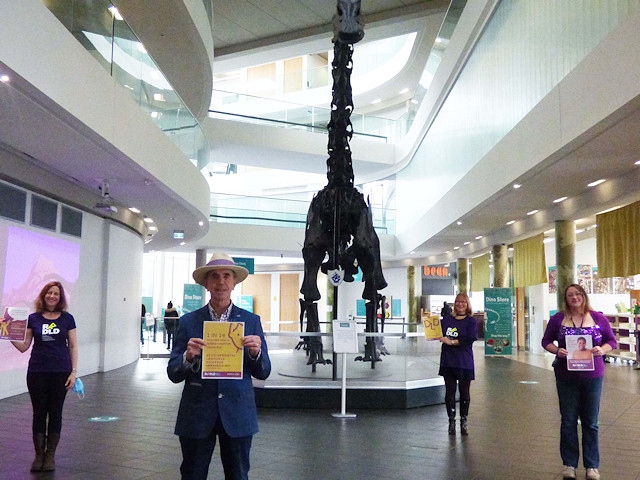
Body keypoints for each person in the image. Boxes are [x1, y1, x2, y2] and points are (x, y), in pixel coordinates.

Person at [167, 253, 271, 480]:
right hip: (197, 413)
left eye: (226, 276)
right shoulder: (188, 322)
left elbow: (263, 371)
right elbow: (173, 372)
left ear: (234, 283)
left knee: (238, 475)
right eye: (214, 276)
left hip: (237, 413)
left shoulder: (251, 321)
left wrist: (256, 353)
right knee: (192, 475)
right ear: (206, 283)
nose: (221, 282)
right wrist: (187, 357)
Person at [542, 283, 616, 480]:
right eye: (570, 295)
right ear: (565, 299)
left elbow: (611, 341)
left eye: (577, 294)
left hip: (592, 376)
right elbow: (546, 341)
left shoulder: (598, 317)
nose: (574, 297)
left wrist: (603, 350)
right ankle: (569, 465)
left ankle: (592, 466)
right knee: (568, 421)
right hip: (566, 376)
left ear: (583, 295)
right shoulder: (558, 319)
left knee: (591, 422)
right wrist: (557, 350)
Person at [11, 281, 78, 472]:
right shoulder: (33, 318)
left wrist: (73, 372)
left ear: (60, 297)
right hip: (37, 373)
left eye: (56, 293)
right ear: (43, 295)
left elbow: (73, 346)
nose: (52, 296)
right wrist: (7, 334)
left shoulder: (67, 319)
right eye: (49, 293)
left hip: (61, 374)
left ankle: (50, 456)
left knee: (55, 412)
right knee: (39, 413)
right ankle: (39, 455)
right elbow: (24, 346)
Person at [438, 293, 477, 435]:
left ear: (467, 304)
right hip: (448, 361)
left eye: (463, 302)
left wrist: (452, 342)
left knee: (465, 393)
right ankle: (451, 420)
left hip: (464, 362)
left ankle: (464, 420)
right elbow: (436, 332)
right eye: (457, 302)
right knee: (449, 393)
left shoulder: (471, 321)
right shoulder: (446, 320)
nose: (460, 304)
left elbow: (470, 338)